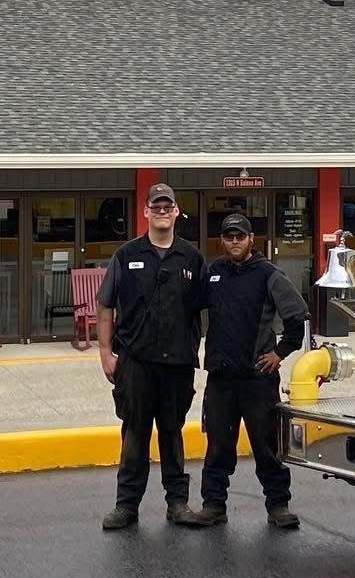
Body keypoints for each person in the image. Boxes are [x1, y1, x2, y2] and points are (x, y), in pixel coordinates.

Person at [184, 212, 309, 530]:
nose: (235, 241)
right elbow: (187, 308)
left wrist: (279, 353)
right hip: (221, 378)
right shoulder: (213, 273)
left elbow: (296, 317)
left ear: (252, 239)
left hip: (257, 379)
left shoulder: (269, 274)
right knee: (217, 447)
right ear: (222, 240)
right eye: (229, 236)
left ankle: (278, 505)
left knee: (266, 447)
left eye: (240, 236)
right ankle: (213, 506)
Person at [97, 183, 206, 530]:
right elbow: (105, 305)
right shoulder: (126, 255)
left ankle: (178, 503)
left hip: (176, 362)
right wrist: (104, 352)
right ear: (145, 212)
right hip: (136, 362)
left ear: (176, 212)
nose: (162, 212)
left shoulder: (192, 258)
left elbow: (208, 308)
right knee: (134, 433)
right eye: (155, 207)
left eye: (167, 207)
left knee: (172, 433)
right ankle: (126, 506)